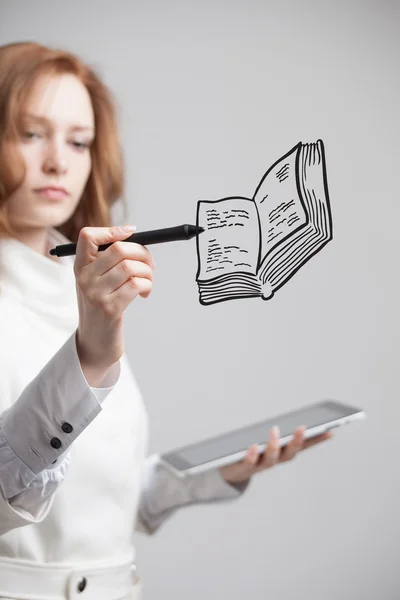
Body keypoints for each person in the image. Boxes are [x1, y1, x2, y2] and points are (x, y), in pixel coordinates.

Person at [0, 41, 333, 600]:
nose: (59, 160)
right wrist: (90, 356)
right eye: (32, 133)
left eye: (79, 141)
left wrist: (226, 469)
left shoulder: (79, 288)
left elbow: (102, 498)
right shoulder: (86, 314)